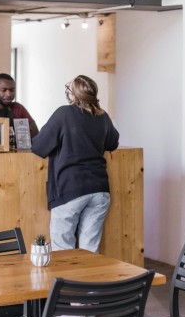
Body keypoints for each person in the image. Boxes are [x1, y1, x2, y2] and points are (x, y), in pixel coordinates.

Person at [31, 74, 119, 252]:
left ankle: (66, 281)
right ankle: (86, 280)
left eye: (69, 89)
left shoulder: (64, 113)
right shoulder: (103, 116)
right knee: (90, 249)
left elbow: (39, 146)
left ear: (74, 95)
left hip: (70, 189)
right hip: (100, 189)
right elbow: (113, 143)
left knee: (63, 249)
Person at [0, 73, 39, 138]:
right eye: (4, 90)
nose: (8, 94)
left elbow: (35, 133)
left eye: (12, 90)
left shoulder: (18, 108)